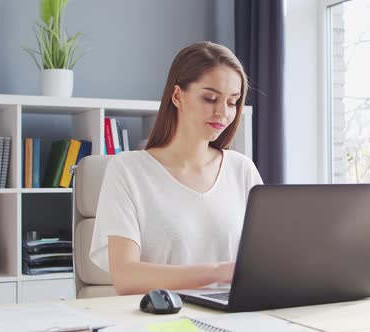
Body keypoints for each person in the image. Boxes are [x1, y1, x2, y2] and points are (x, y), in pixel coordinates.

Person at [90, 41, 263, 295]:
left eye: (232, 102)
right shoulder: (128, 170)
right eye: (210, 98)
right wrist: (216, 273)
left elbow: (266, 259)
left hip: (233, 316)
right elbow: (125, 276)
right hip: (164, 319)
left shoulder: (241, 169)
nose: (222, 113)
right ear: (177, 96)